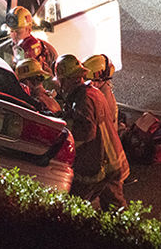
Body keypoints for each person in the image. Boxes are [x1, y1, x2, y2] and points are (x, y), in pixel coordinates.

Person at [55, 54, 129, 210]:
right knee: (113, 206)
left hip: (102, 163)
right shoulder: (91, 92)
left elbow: (86, 132)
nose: (60, 85)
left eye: (62, 80)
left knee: (74, 203)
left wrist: (63, 139)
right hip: (108, 160)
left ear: (71, 79)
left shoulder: (83, 99)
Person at [5, 5, 58, 75]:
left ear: (29, 29)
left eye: (18, 32)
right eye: (11, 31)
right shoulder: (4, 51)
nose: (14, 36)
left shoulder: (49, 51)